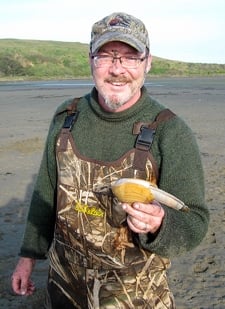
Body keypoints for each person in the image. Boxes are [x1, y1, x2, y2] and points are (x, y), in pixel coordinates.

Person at [11, 12, 209, 308]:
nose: (118, 69)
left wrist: (160, 223)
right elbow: (45, 193)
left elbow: (195, 220)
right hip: (64, 288)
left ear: (148, 63)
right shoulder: (66, 117)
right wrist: (28, 257)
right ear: (91, 59)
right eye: (106, 56)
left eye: (131, 57)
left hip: (133, 297)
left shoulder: (170, 131)